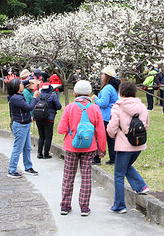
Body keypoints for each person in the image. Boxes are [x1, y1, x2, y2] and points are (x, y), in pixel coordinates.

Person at [57, 80, 106, 216]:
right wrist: (102, 149)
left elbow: (61, 129)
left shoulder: (69, 108)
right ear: (89, 93)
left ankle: (65, 206)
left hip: (71, 147)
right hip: (89, 147)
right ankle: (84, 207)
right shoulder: (95, 108)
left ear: (75, 93)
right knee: (86, 176)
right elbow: (100, 131)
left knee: (68, 176)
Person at [107, 82, 150, 213]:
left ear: (121, 92)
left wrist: (112, 135)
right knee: (125, 167)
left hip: (124, 145)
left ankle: (119, 205)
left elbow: (112, 126)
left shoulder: (117, 107)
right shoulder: (142, 106)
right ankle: (141, 186)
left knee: (119, 174)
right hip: (138, 144)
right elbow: (146, 125)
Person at [7, 78, 40, 178]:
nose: (23, 85)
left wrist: (30, 80)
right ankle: (12, 170)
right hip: (20, 126)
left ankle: (28, 167)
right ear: (17, 87)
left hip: (25, 124)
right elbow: (29, 107)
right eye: (21, 84)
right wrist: (34, 97)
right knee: (18, 148)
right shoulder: (16, 98)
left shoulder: (16, 95)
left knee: (27, 148)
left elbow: (24, 83)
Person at [92, 66, 119, 165]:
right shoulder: (114, 87)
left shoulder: (107, 88)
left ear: (107, 76)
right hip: (111, 115)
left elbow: (103, 103)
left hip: (104, 116)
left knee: (100, 137)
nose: (101, 76)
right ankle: (113, 157)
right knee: (110, 138)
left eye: (103, 74)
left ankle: (97, 158)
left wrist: (95, 98)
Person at [36, 82, 62, 159]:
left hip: (39, 117)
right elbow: (59, 106)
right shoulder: (52, 96)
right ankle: (46, 153)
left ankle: (39, 153)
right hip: (49, 118)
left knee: (41, 136)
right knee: (48, 137)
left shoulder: (39, 95)